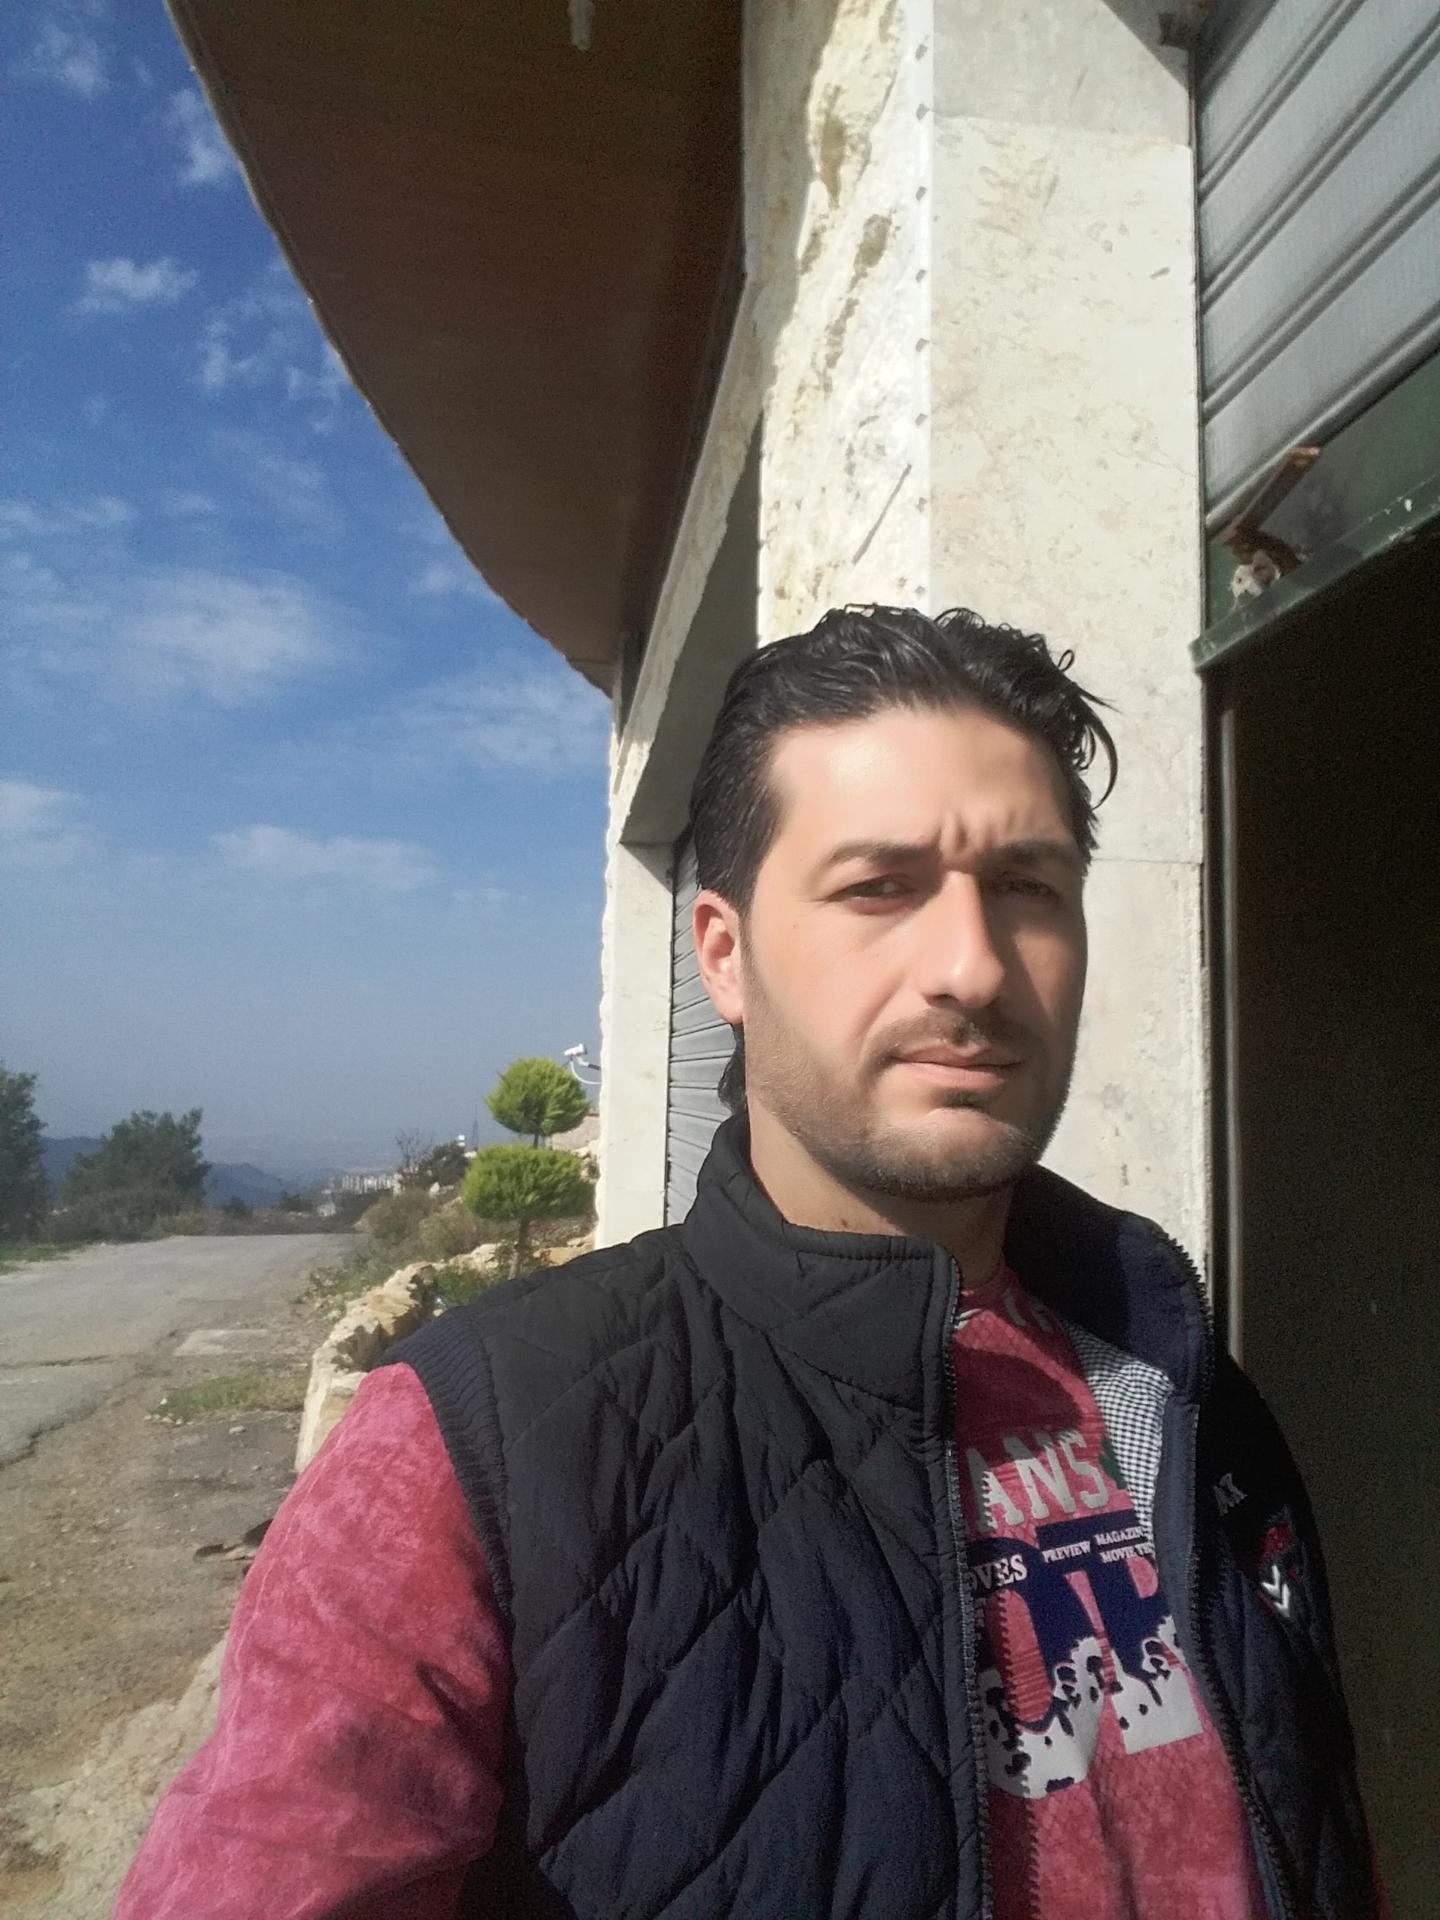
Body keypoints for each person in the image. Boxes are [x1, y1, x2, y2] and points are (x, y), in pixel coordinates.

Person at [116, 607, 1379, 1920]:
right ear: (723, 955)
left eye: (1028, 886)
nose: (973, 966)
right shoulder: (474, 1446)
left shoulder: (1175, 1376)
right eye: (879, 887)